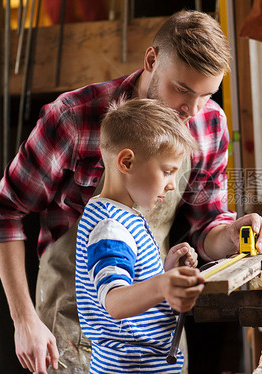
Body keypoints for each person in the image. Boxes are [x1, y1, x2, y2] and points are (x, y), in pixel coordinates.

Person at [0, 9, 262, 374]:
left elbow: (207, 230)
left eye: (206, 94)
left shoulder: (210, 123)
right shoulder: (75, 118)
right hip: (75, 329)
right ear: (152, 60)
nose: (191, 109)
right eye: (182, 89)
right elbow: (4, 211)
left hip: (155, 332)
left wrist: (232, 235)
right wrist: (24, 320)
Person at [76, 98, 205, 373]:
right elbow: (115, 301)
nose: (172, 185)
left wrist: (166, 271)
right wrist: (163, 285)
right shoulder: (110, 226)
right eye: (168, 171)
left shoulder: (124, 216)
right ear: (127, 162)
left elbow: (133, 282)